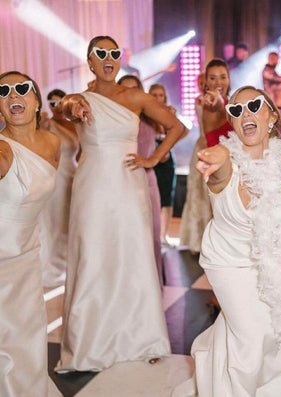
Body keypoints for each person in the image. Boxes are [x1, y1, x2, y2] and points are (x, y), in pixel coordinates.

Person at [56, 35, 184, 373]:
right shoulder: (79, 98)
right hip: (92, 186)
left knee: (133, 256)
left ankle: (142, 338)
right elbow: (63, 107)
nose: (109, 58)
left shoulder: (136, 96)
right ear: (90, 60)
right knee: (95, 255)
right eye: (101, 53)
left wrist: (153, 158)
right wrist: (74, 107)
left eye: (114, 53)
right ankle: (90, 342)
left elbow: (176, 127)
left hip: (129, 185)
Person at [179, 86, 281, 396]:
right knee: (251, 337)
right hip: (229, 262)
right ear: (232, 123)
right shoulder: (225, 167)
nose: (245, 113)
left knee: (270, 333)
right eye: (236, 110)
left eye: (253, 106)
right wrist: (215, 154)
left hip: (268, 262)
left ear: (271, 115)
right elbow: (219, 159)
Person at [0, 71, 62, 396]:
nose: (13, 95)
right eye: (3, 91)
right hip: (2, 258)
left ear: (36, 99)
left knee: (29, 333)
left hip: (27, 253)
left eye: (21, 88)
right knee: (6, 339)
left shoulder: (53, 143)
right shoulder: (3, 150)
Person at [118, 75, 163, 281]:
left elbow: (180, 128)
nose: (130, 95)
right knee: (125, 237)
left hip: (147, 181)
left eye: (134, 90)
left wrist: (153, 158)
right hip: (120, 183)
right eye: (124, 90)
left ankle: (153, 286)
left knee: (151, 235)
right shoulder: (112, 121)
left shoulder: (150, 118)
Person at [39, 88, 79, 288]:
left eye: (59, 102)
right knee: (56, 223)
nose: (55, 107)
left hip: (75, 175)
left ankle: (68, 266)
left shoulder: (75, 124)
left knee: (71, 222)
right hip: (56, 178)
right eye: (51, 103)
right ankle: (53, 269)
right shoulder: (47, 124)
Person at [179, 72, 213, 253]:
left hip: (214, 145)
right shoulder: (199, 101)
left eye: (204, 81)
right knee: (197, 191)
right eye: (199, 82)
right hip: (201, 145)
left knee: (210, 193)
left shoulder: (217, 101)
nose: (202, 84)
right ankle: (198, 239)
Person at [148, 84, 183, 247]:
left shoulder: (170, 115)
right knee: (154, 199)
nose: (157, 98)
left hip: (167, 160)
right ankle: (154, 235)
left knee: (167, 198)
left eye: (161, 95)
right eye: (154, 95)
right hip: (151, 160)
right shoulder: (145, 116)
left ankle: (165, 235)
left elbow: (183, 131)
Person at [202, 58, 232, 147]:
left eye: (223, 77)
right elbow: (219, 106)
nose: (218, 82)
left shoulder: (231, 102)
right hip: (216, 160)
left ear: (228, 79)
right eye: (212, 78)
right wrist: (218, 99)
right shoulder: (210, 106)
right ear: (206, 82)